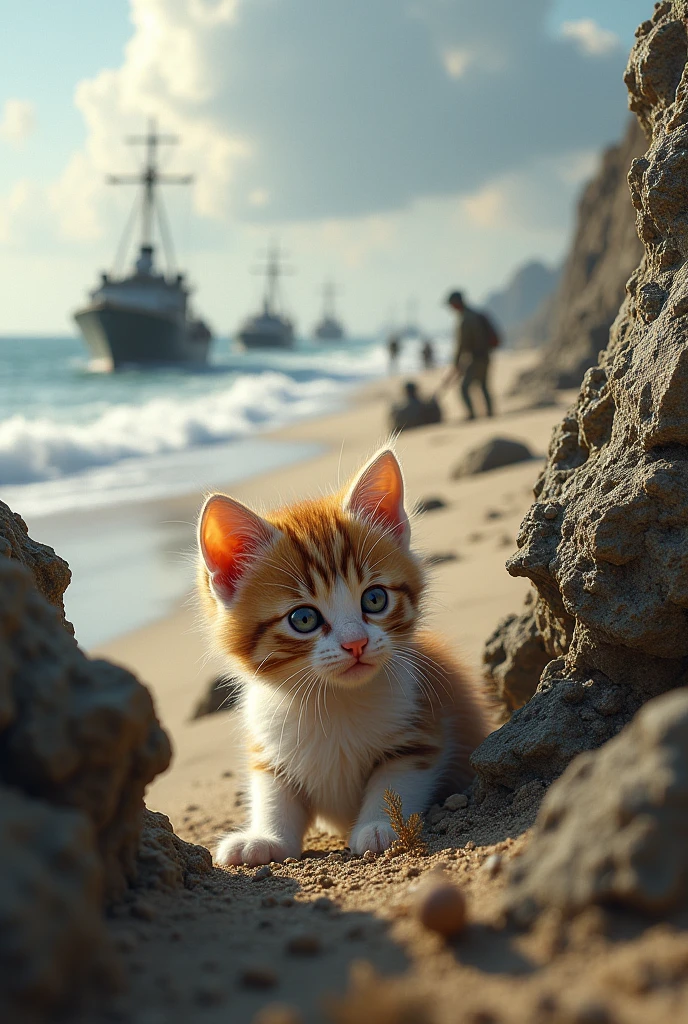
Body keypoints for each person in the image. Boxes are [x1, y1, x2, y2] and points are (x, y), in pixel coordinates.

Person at [437, 290, 497, 420]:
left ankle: (473, 415)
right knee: (483, 385)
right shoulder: (474, 315)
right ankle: (490, 413)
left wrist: (456, 364)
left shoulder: (465, 319)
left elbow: (462, 345)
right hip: (484, 356)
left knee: (465, 388)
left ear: (456, 303)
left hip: (476, 358)